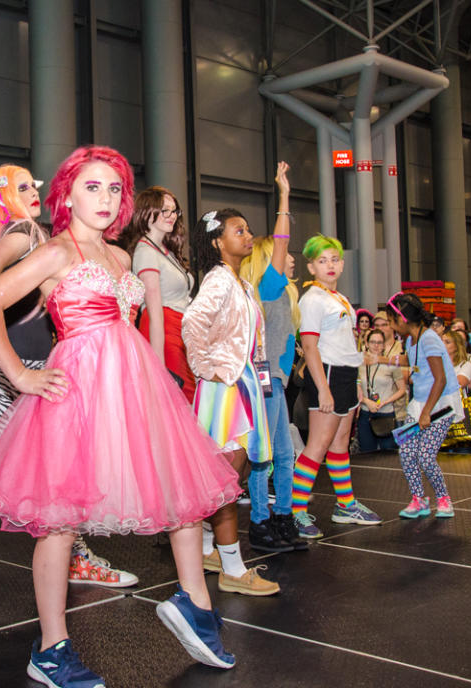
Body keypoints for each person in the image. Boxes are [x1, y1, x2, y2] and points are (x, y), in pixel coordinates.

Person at [0, 146, 243, 684]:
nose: (105, 199)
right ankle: (52, 648)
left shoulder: (122, 258)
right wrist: (20, 375)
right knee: (58, 523)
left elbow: (127, 324)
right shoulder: (56, 252)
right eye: (92, 187)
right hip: (77, 388)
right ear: (67, 195)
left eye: (113, 189)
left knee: (178, 489)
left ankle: (193, 604)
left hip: (132, 382)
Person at [0, 164, 137, 622]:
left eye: (34, 185)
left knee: (65, 475)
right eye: (21, 187)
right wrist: (17, 341)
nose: (32, 192)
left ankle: (75, 557)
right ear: (2, 198)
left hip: (45, 366)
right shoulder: (28, 234)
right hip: (16, 369)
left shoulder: (60, 241)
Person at [182, 204, 282, 592]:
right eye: (238, 230)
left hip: (241, 385)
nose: (247, 235)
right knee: (226, 480)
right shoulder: (220, 280)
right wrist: (211, 370)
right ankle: (234, 571)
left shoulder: (242, 283)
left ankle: (210, 549)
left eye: (247, 229)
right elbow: (192, 323)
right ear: (217, 242)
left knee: (232, 475)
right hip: (226, 390)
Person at [290, 234, 381, 540]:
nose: (329, 265)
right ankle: (296, 511)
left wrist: (355, 380)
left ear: (342, 264)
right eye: (321, 261)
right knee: (317, 446)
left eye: (334, 259)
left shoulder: (338, 298)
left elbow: (346, 344)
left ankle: (345, 505)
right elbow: (310, 348)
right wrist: (324, 389)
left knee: (340, 446)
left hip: (345, 375)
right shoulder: (312, 299)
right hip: (326, 375)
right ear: (311, 267)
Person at [238, 161, 308, 554]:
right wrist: (283, 193)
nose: (289, 256)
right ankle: (262, 523)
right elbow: (281, 240)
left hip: (276, 383)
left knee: (282, 455)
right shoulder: (269, 286)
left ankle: (282, 518)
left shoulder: (280, 294)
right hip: (267, 385)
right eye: (281, 254)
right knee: (265, 456)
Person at [386, 293, 460, 518]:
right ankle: (419, 499)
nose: (390, 326)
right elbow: (414, 362)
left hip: (439, 405)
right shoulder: (411, 340)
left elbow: (441, 379)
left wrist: (427, 413)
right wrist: (380, 360)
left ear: (403, 319)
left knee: (426, 456)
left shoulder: (429, 339)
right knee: (407, 452)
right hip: (419, 403)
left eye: (391, 320)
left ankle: (443, 498)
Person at [127, 186, 196, 400]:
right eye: (165, 210)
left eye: (174, 211)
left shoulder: (167, 251)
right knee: (177, 402)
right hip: (164, 332)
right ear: (147, 212)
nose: (172, 216)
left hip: (180, 331)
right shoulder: (145, 251)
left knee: (185, 403)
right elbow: (154, 312)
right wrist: (158, 366)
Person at [356, 329, 405, 452]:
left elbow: (402, 389)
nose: (376, 345)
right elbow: (353, 387)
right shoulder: (358, 364)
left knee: (387, 454)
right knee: (366, 454)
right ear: (366, 344)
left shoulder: (390, 364)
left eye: (379, 342)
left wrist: (386, 401)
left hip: (386, 413)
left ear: (384, 345)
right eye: (373, 342)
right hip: (366, 412)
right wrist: (367, 401)